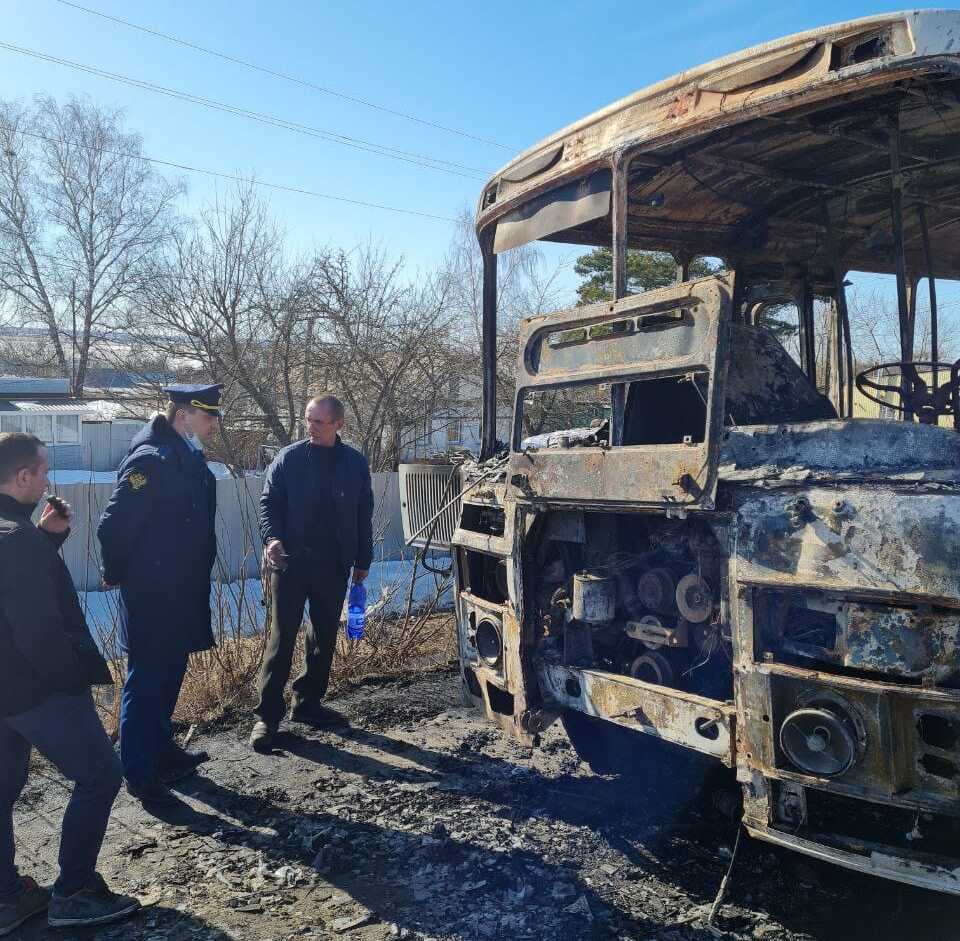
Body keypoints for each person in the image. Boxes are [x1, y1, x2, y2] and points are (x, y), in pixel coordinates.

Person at [0, 433, 140, 933]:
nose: (45, 479)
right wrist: (74, 685)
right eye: (40, 471)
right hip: (35, 689)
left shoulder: (16, 536)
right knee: (100, 774)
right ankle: (74, 892)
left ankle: (5, 899)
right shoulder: (17, 543)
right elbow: (37, 628)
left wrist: (47, 539)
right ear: (23, 478)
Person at [97, 384, 220, 808]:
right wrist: (115, 571)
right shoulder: (151, 458)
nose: (215, 424)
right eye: (209, 416)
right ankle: (138, 769)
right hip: (153, 590)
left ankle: (162, 750)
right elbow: (113, 524)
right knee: (147, 677)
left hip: (181, 587)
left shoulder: (185, 453)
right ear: (184, 415)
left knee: (170, 671)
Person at [250, 394, 374, 752]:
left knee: (323, 638)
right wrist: (271, 538)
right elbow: (268, 502)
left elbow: (363, 514)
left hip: (334, 565)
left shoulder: (354, 463)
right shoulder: (289, 458)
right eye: (309, 420)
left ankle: (307, 704)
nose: (311, 427)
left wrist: (362, 561)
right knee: (281, 637)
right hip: (290, 563)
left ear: (339, 425)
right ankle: (267, 717)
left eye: (319, 422)